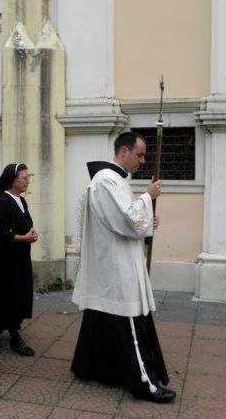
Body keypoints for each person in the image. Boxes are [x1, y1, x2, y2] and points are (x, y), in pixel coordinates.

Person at [71, 131, 175, 404]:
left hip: (115, 260)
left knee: (104, 319)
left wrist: (146, 220)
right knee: (129, 322)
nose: (142, 161)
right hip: (117, 267)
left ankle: (91, 367)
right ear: (123, 151)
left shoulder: (114, 179)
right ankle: (144, 384)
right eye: (139, 155)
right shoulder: (107, 180)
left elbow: (123, 219)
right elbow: (128, 220)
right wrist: (147, 198)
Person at [0, 163, 38, 357]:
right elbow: (0, 233)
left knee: (17, 293)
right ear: (12, 181)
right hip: (5, 260)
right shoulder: (3, 202)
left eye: (28, 177)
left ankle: (2, 327)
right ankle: (14, 335)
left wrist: (31, 232)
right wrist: (24, 238)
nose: (28, 181)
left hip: (20, 258)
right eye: (24, 178)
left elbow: (24, 224)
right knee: (7, 295)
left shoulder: (21, 201)